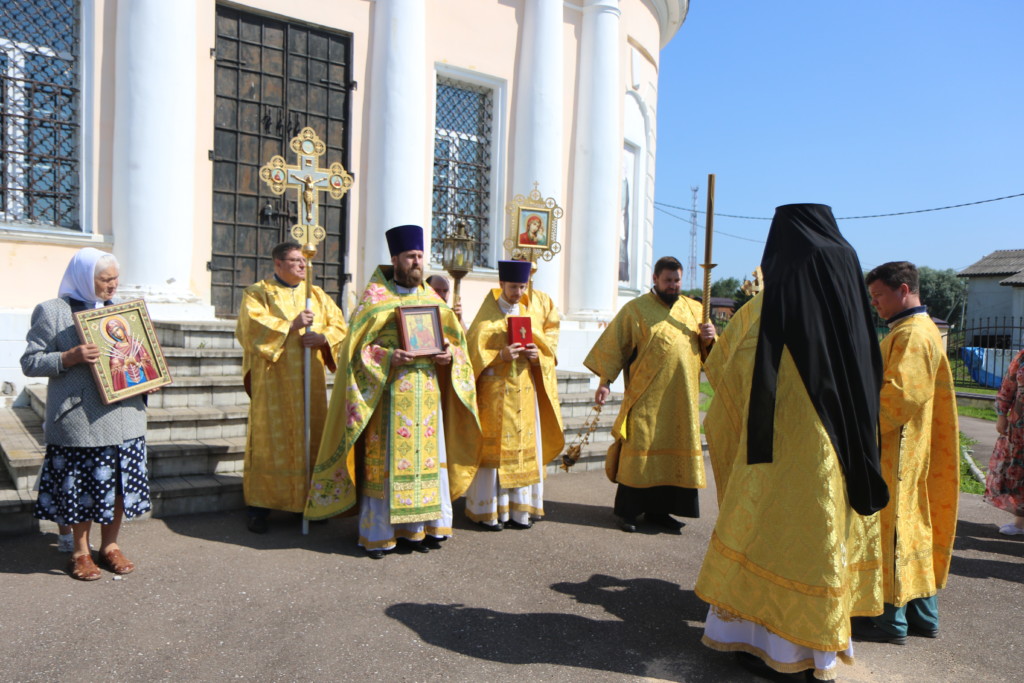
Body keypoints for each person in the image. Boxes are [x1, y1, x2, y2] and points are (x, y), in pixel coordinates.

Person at [694, 204, 889, 680]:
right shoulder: (850, 305)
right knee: (821, 542)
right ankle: (817, 649)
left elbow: (729, 373)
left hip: (777, 453)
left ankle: (769, 648)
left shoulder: (766, 308)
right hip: (838, 451)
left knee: (768, 539)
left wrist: (708, 348)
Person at [305, 225, 481, 558]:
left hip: (427, 395)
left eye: (420, 256)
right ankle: (381, 533)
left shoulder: (432, 299)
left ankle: (424, 528)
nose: (417, 262)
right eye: (410, 257)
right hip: (387, 396)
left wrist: (448, 354)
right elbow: (354, 353)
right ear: (395, 259)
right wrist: (387, 357)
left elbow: (457, 345)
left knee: (427, 463)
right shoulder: (374, 300)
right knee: (386, 467)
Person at [22, 248, 154, 580]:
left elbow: (138, 359)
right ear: (84, 278)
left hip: (125, 418)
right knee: (80, 488)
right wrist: (68, 357)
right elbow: (30, 361)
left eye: (115, 279)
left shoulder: (124, 314)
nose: (113, 285)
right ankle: (80, 552)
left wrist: (146, 378)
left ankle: (109, 546)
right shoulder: (52, 312)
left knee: (120, 486)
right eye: (105, 279)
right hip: (81, 421)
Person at [856, 261, 961, 644]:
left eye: (879, 296)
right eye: (871, 297)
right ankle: (922, 616)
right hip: (907, 449)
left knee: (893, 532)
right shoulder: (915, 329)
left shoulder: (913, 333)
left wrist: (856, 424)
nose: (875, 304)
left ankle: (890, 620)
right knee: (912, 530)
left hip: (894, 451)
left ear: (903, 290)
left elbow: (901, 396)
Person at [583, 256, 716, 533]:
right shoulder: (635, 310)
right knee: (640, 450)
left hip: (681, 399)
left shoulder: (695, 310)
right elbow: (614, 347)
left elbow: (711, 355)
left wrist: (710, 339)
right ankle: (628, 512)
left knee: (670, 454)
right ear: (655, 279)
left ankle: (661, 512)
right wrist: (605, 382)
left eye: (676, 280)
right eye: (667, 280)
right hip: (646, 397)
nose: (672, 285)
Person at [235, 241, 348, 533]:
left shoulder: (317, 295)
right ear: (278, 264)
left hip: (311, 380)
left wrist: (322, 338)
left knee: (310, 436)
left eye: (305, 261)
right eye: (296, 261)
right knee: (270, 440)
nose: (303, 266)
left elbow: (340, 326)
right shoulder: (257, 293)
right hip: (274, 382)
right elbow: (251, 327)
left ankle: (307, 504)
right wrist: (292, 325)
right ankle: (259, 507)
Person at [463, 260, 564, 530]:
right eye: (513, 286)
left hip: (524, 391)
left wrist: (536, 356)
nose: (518, 292)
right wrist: (499, 356)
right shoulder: (487, 316)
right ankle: (490, 512)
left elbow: (547, 350)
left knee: (523, 451)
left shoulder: (530, 314)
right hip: (495, 396)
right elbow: (472, 356)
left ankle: (520, 511)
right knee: (494, 456)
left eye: (522, 286)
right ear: (501, 284)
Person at [986, 347, 1024, 535]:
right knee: (1019, 475)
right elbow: (1008, 385)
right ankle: (1019, 522)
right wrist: (1002, 415)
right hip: (1020, 428)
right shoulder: (1023, 356)